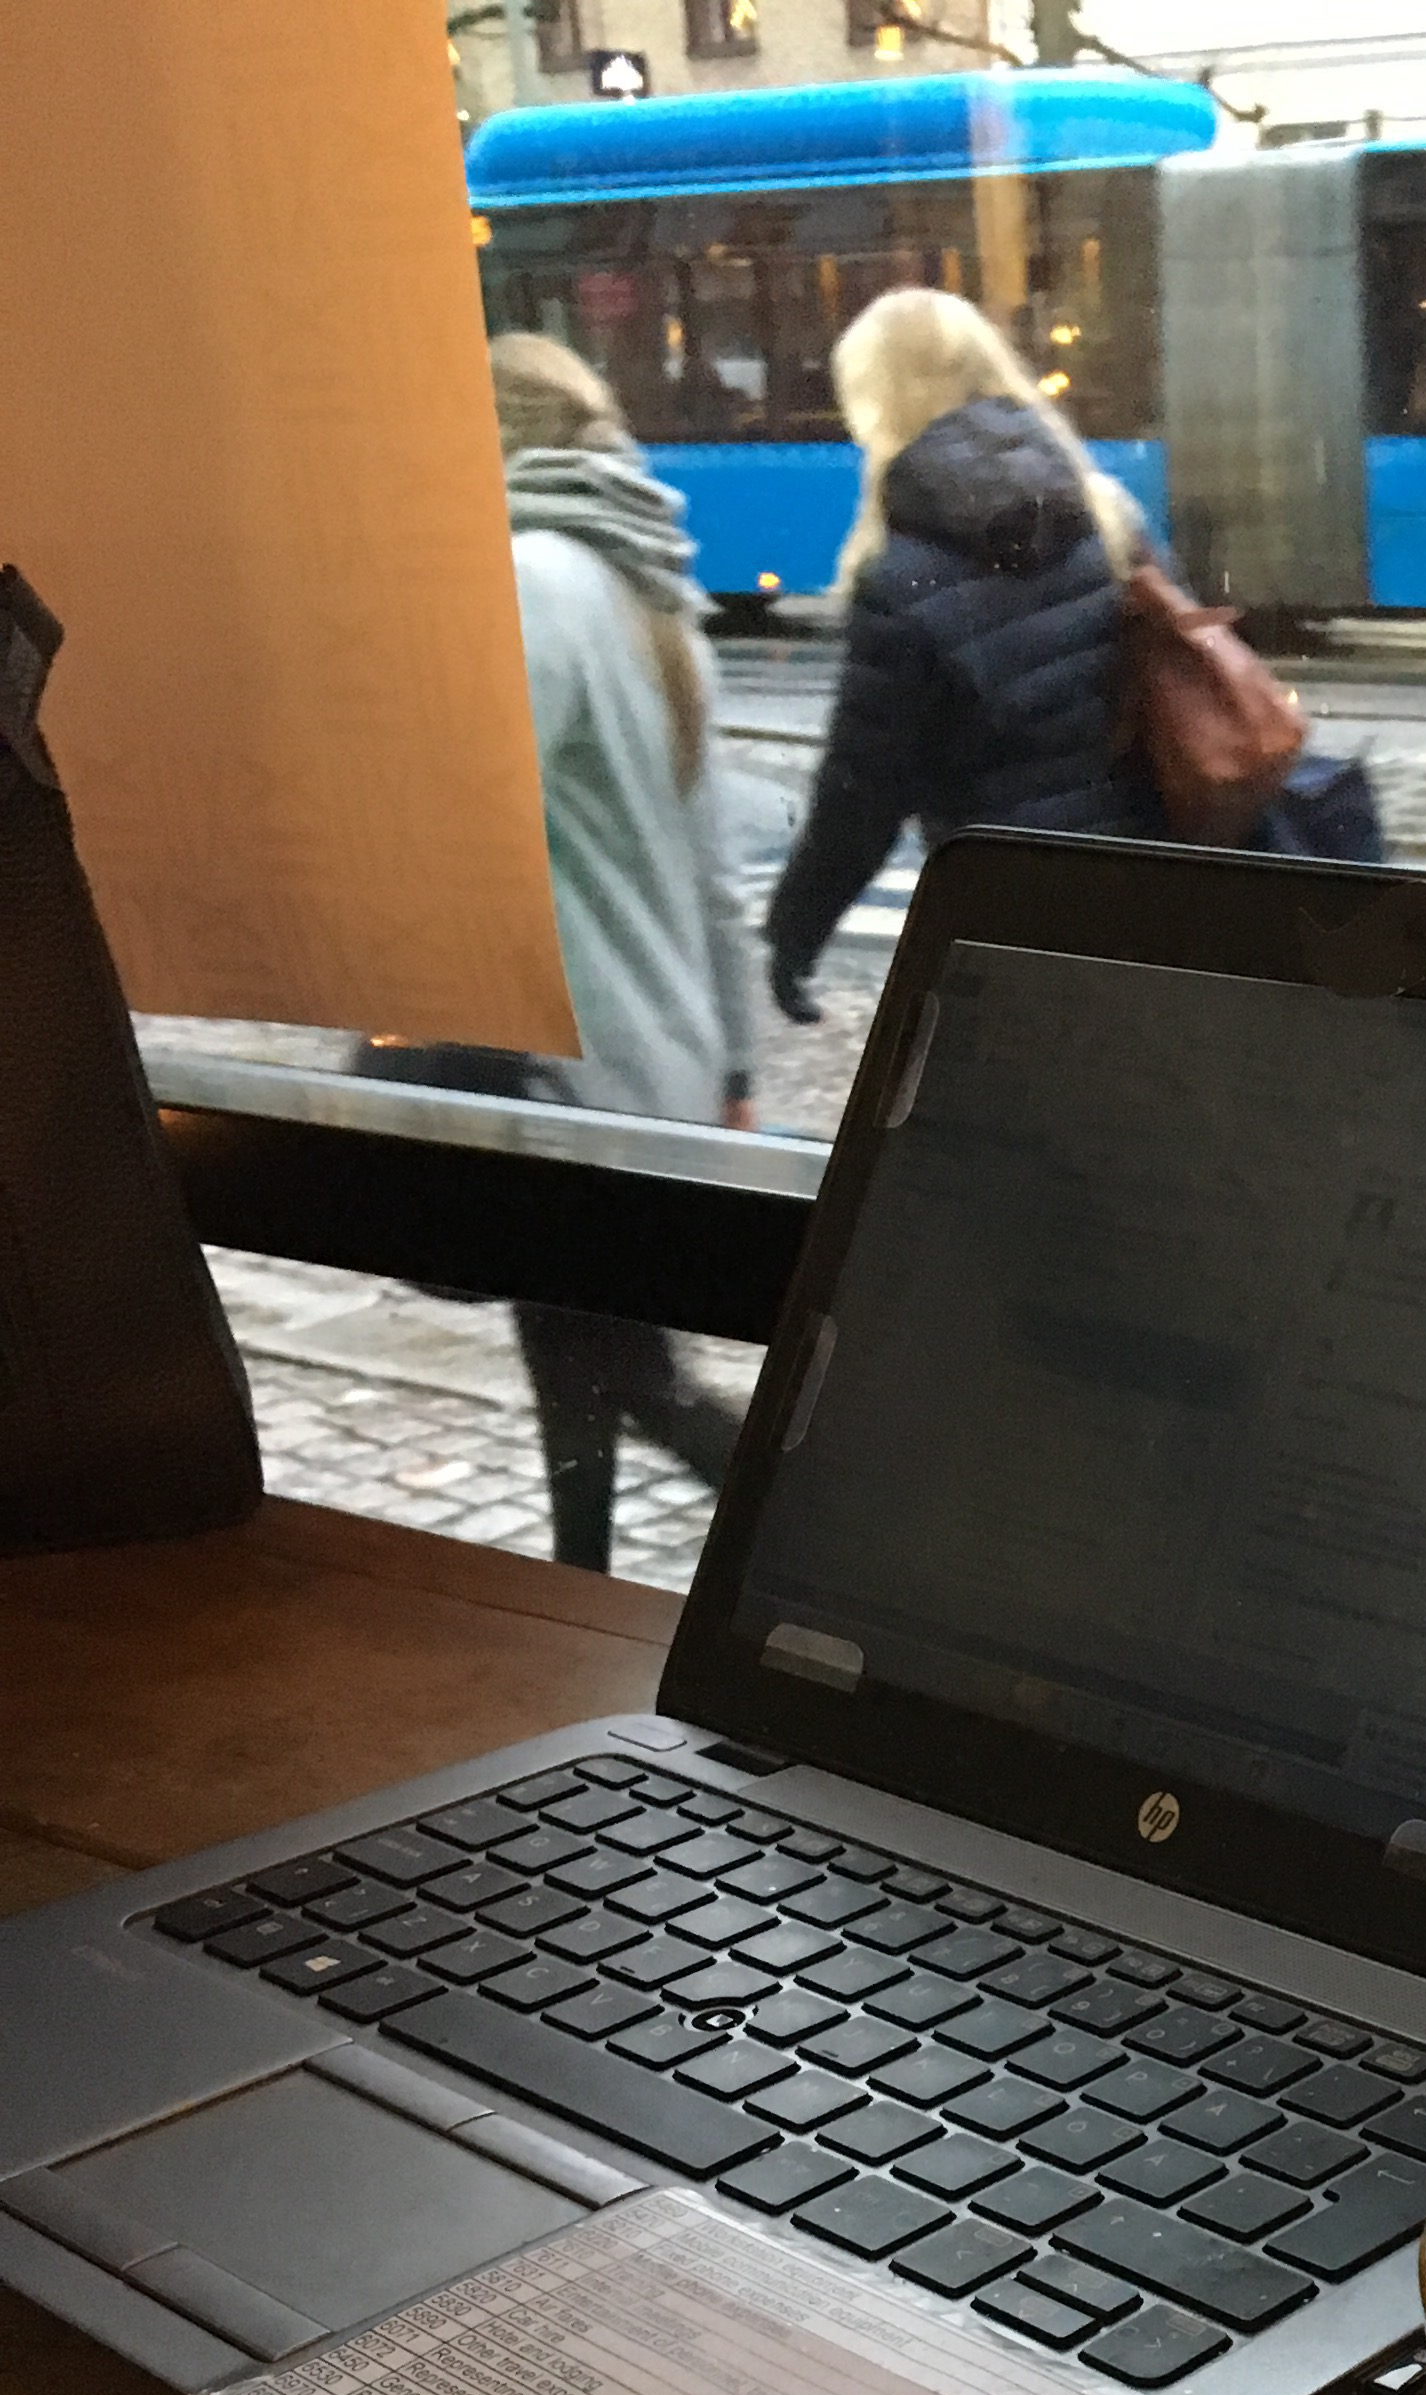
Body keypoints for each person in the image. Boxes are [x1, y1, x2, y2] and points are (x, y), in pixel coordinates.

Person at [360, 334, 753, 1572]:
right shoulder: (656, 603)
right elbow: (715, 882)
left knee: (634, 1375)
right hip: (651, 1058)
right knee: (577, 1353)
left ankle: (838, 1531)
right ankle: (575, 1584)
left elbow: (463, 819)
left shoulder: (532, 580)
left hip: (566, 1063)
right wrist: (735, 1066)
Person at [764, 290, 1156, 1025]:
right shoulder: (1101, 512)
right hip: (1147, 893)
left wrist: (794, 937)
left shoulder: (900, 578)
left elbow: (861, 796)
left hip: (1008, 921)